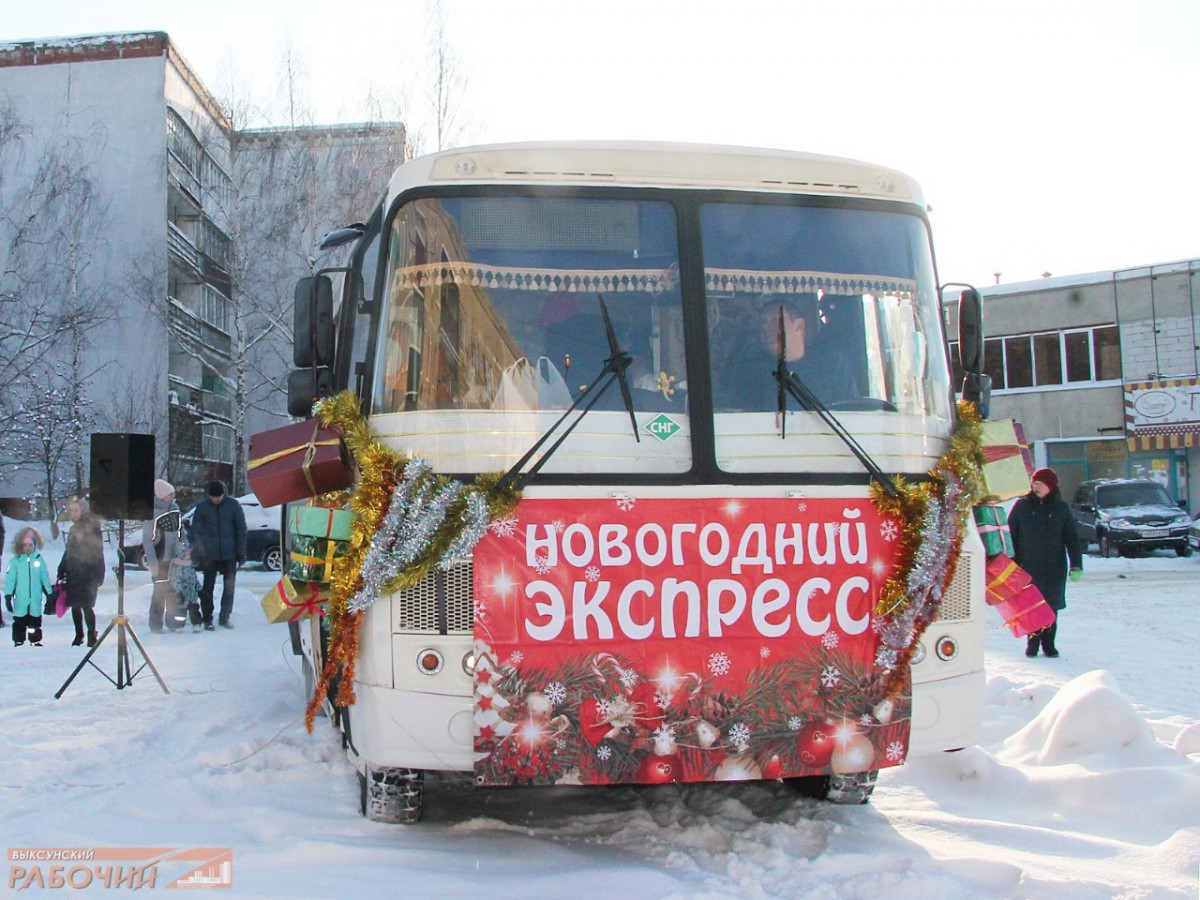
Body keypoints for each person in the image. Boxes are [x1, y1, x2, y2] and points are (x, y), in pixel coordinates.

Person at [712, 294, 859, 412]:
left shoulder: (833, 365)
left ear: (799, 326)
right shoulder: (749, 373)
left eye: (775, 319)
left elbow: (851, 414)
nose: (765, 327)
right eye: (762, 322)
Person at [1008, 467, 1083, 658]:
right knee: (1031, 605)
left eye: (1040, 484)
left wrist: (1076, 564)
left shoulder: (1061, 509)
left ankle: (1049, 644)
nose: (1036, 487)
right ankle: (1032, 643)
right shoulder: (1022, 507)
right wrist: (1010, 564)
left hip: (1054, 567)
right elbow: (1011, 537)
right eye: (1034, 483)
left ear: (1051, 486)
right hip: (1028, 567)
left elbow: (1072, 538)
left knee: (1051, 606)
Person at [188, 480, 246, 631]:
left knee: (229, 586)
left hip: (230, 554)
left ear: (223, 494)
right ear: (209, 496)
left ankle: (225, 617)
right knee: (208, 587)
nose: (215, 500)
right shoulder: (202, 507)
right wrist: (198, 552)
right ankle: (207, 618)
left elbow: (241, 529)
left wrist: (241, 553)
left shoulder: (233, 505)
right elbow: (196, 532)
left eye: (218, 497)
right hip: (209, 555)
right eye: (213, 497)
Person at [57, 498, 106, 647]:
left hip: (87, 572)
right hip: (73, 571)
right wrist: (62, 568)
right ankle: (79, 634)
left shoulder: (92, 527)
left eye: (76, 510)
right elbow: (68, 551)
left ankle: (92, 634)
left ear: (83, 511)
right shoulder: (73, 529)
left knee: (86, 604)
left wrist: (99, 572)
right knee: (74, 604)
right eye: (71, 510)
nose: (73, 513)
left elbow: (98, 551)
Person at [143, 479, 182, 634]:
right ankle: (155, 624)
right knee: (159, 592)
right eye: (169, 494)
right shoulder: (152, 513)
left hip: (175, 559)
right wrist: (153, 565)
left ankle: (173, 622)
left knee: (173, 592)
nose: (172, 497)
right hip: (160, 558)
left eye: (173, 494)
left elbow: (181, 530)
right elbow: (147, 541)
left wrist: (185, 548)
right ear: (161, 496)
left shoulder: (175, 509)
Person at [5, 526, 53, 647]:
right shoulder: (15, 562)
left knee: (35, 619)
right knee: (20, 620)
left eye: (30, 545)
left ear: (35, 546)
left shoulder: (39, 560)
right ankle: (19, 639)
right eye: (25, 545)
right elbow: (11, 580)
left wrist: (49, 593)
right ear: (20, 546)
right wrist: (8, 595)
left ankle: (35, 639)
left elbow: (44, 578)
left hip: (35, 598)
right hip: (21, 598)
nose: (27, 548)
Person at [171, 531, 203, 634]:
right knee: (180, 611)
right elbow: (175, 579)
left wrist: (198, 586)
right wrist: (178, 591)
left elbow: (193, 577)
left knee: (194, 608)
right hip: (183, 593)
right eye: (187, 553)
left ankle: (196, 623)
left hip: (192, 592)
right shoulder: (177, 566)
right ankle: (179, 625)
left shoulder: (189, 565)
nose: (189, 555)